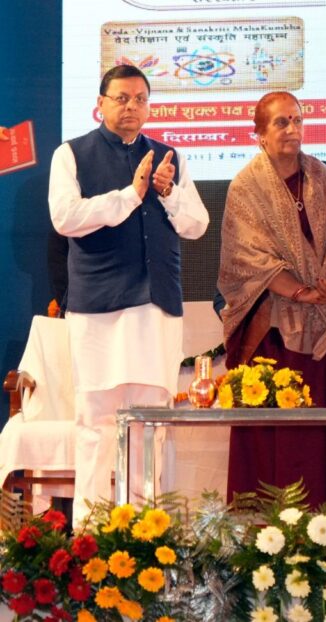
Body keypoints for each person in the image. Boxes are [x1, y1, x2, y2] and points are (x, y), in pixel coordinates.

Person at [48, 65, 209, 523]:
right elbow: (65, 217)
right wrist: (130, 195)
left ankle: (147, 530)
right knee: (96, 422)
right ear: (100, 103)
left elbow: (197, 225)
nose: (131, 107)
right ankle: (91, 529)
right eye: (121, 98)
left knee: (151, 421)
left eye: (140, 99)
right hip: (97, 308)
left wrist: (167, 192)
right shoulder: (71, 153)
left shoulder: (168, 157)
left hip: (154, 306)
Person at [218, 91, 326, 507]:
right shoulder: (246, 187)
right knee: (284, 446)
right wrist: (303, 292)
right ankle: (268, 534)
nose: (292, 129)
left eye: (297, 120)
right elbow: (246, 259)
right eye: (281, 122)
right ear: (259, 133)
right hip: (275, 341)